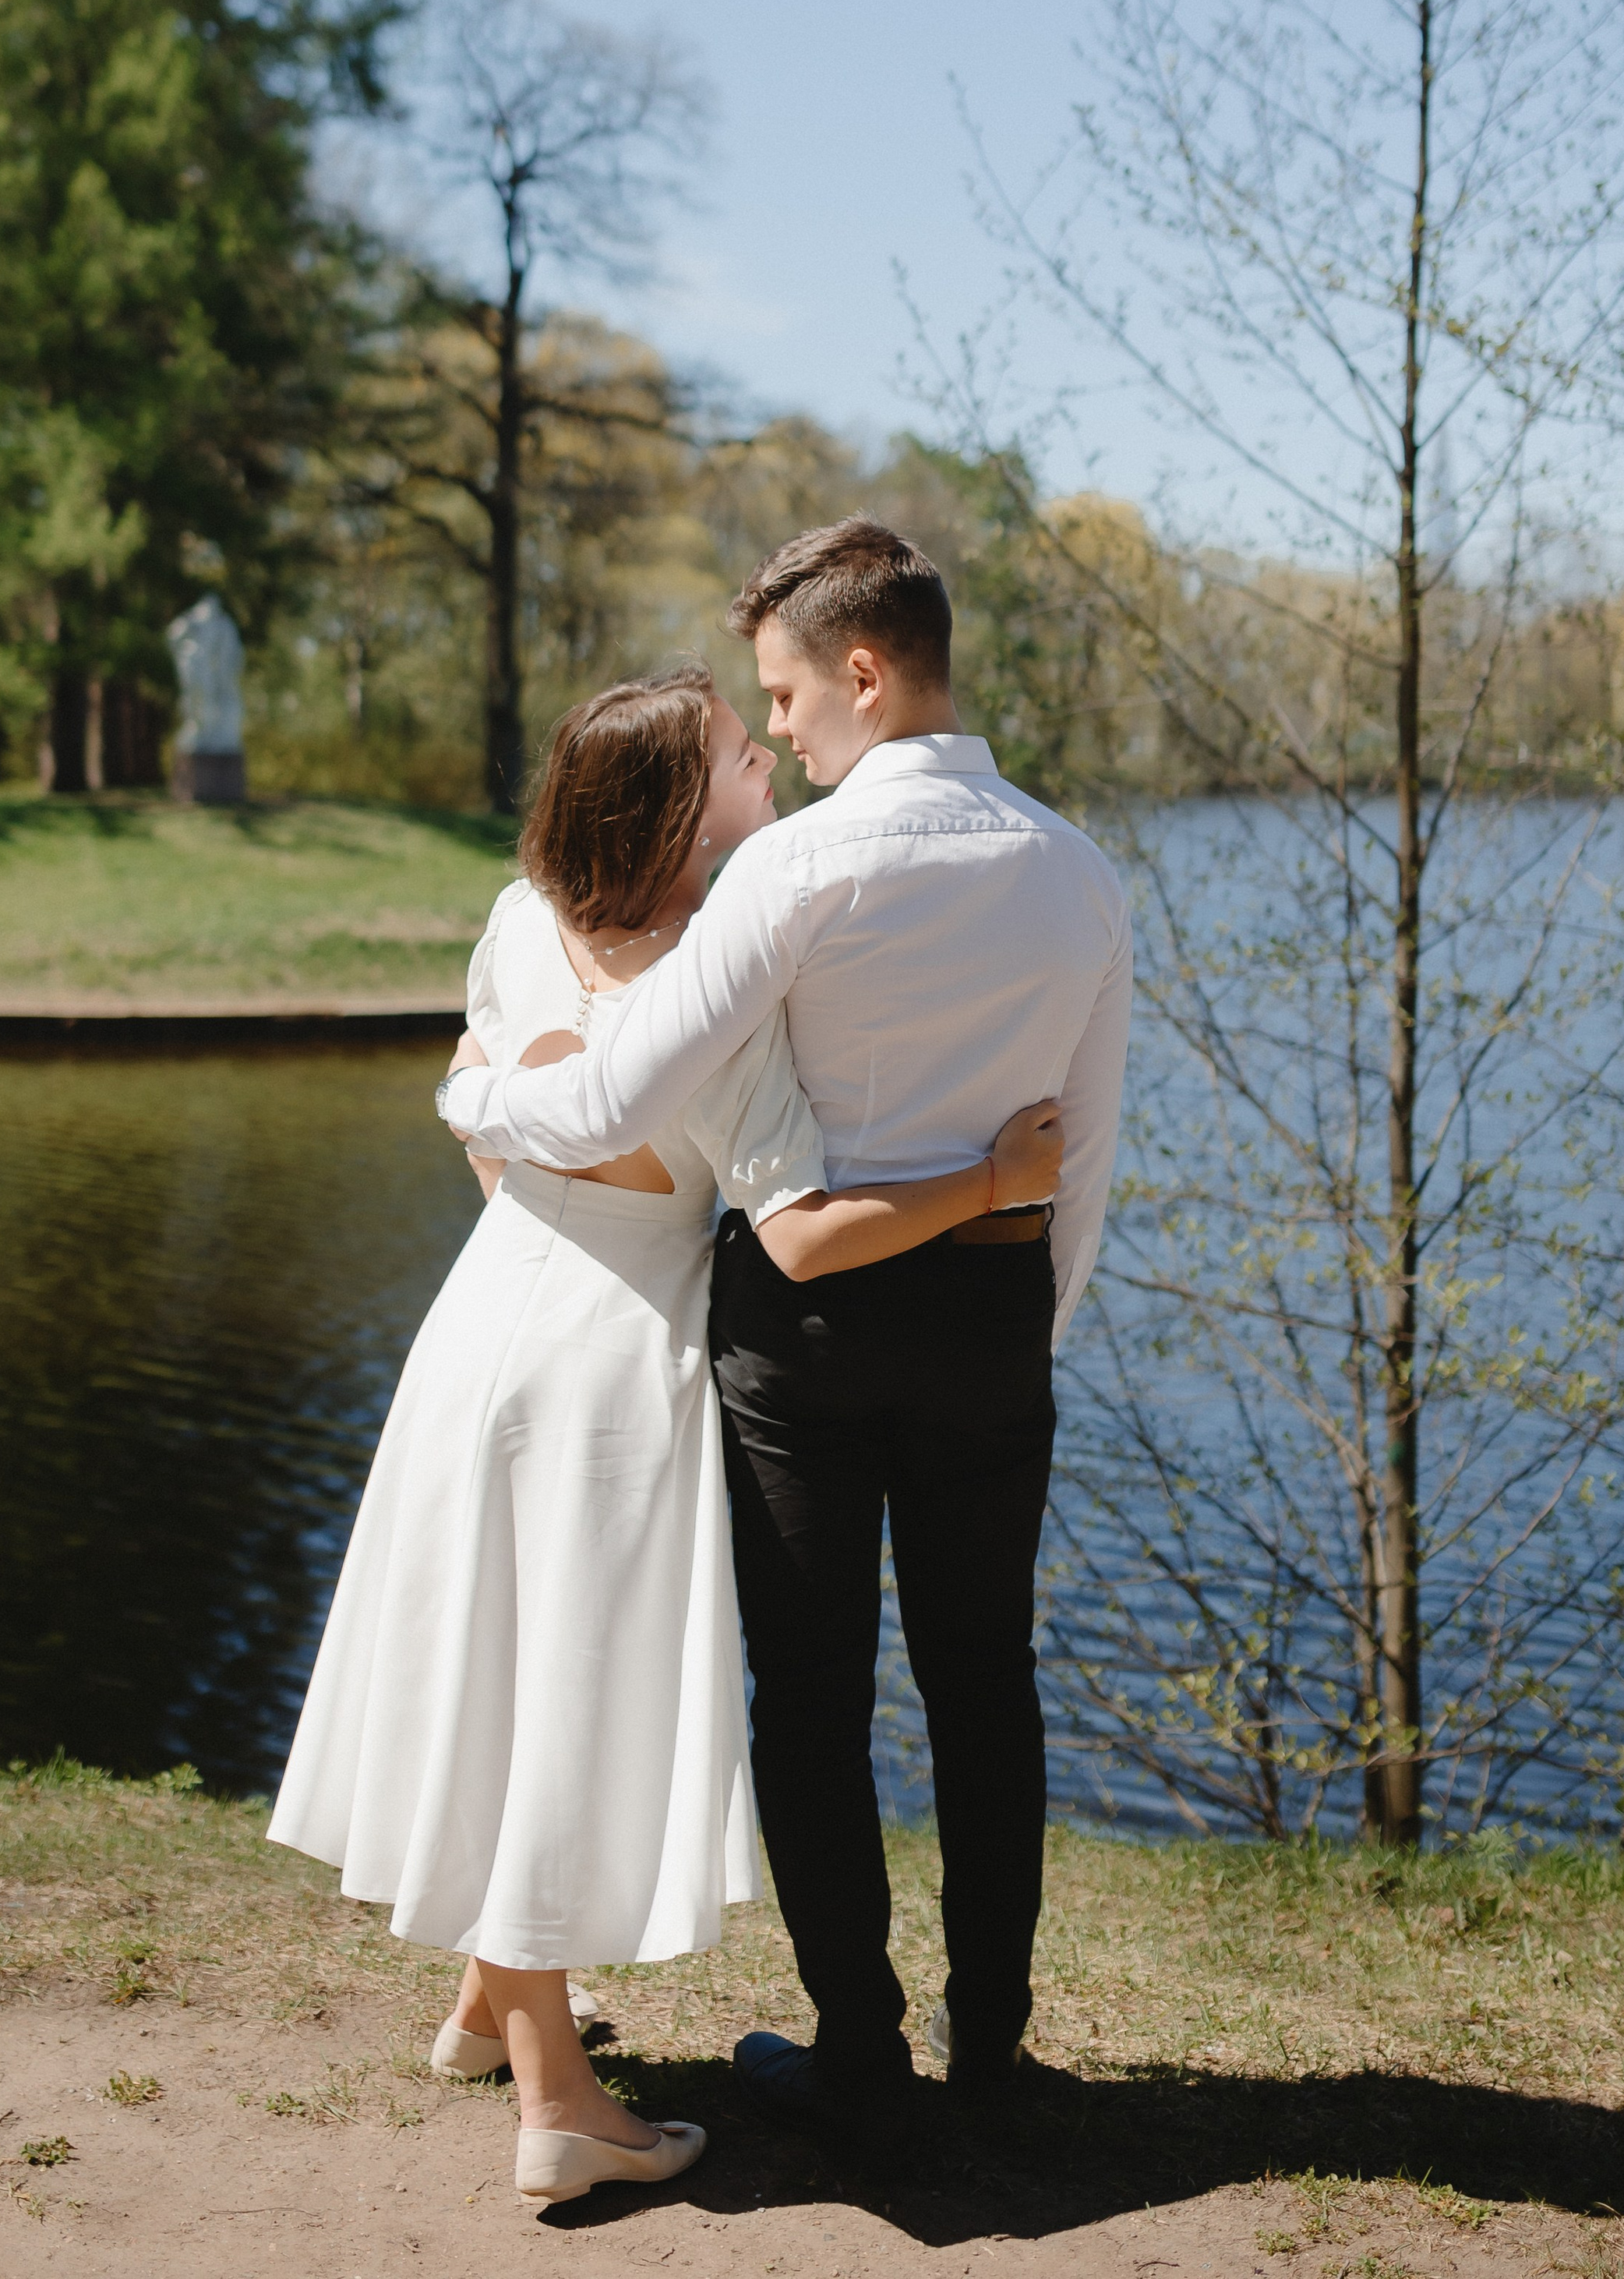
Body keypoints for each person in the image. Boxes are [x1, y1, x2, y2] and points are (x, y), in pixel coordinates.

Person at [270, 660, 1065, 2207]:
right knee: (558, 1713)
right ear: (685, 809)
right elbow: (806, 1236)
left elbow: (481, 1122)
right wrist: (990, 1183)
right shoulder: (720, 987)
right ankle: (564, 2108)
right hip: (612, 1369)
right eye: (735, 754)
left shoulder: (519, 921)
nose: (767, 756)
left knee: (488, 1670)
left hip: (483, 1320)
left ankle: (487, 2014)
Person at [440, 520, 1132, 2159]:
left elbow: (614, 1096)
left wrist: (473, 1090)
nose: (785, 734)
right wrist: (1019, 1323)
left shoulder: (798, 868)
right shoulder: (1074, 868)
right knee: (987, 1688)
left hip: (807, 1328)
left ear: (864, 670)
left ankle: (859, 2060)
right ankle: (992, 2052)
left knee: (810, 1698)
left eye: (785, 696)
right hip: (990, 1306)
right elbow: (1088, 1152)